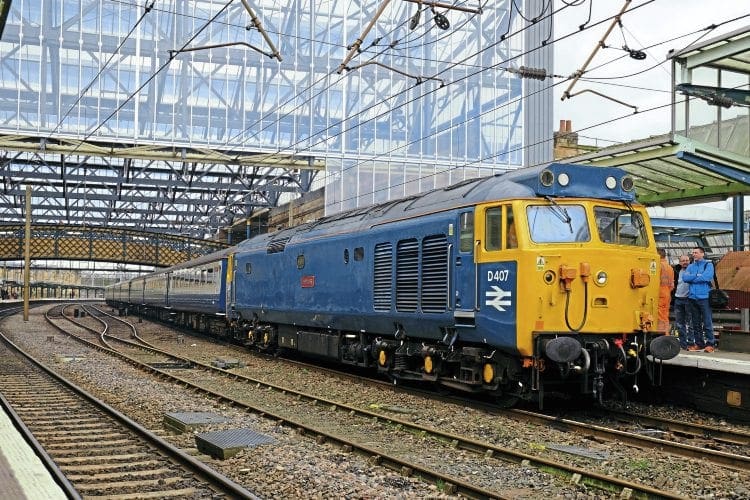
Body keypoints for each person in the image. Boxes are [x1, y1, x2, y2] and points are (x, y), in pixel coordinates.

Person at [682, 246, 716, 353]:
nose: (693, 254)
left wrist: (692, 277)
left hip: (704, 297)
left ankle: (710, 344)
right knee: (695, 323)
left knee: (707, 322)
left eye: (696, 252)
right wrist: (697, 275)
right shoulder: (690, 266)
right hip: (692, 298)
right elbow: (685, 278)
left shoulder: (708, 265)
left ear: (702, 254)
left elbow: (706, 277)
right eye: (693, 253)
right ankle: (699, 344)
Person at [672, 254, 693, 349]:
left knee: (691, 322)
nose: (685, 262)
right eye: (683, 261)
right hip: (678, 299)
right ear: (679, 262)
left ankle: (691, 343)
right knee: (679, 324)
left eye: (687, 260)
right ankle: (683, 343)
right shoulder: (676, 271)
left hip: (689, 299)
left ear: (689, 261)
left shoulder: (692, 270)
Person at [657, 248, 674, 334]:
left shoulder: (658, 266)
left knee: (660, 316)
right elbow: (672, 285)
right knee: (664, 315)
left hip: (659, 294)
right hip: (667, 293)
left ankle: (661, 335)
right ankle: (665, 334)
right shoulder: (670, 267)